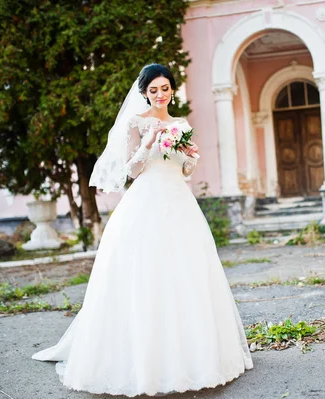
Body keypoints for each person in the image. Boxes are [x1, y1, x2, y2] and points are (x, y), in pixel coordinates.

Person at [32, 64, 253, 396]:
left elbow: (186, 170)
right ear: (145, 93)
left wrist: (189, 155)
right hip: (145, 200)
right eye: (153, 90)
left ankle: (196, 356)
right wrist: (148, 142)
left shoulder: (181, 124)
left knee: (186, 273)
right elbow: (131, 171)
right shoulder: (137, 122)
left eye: (165, 88)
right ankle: (143, 359)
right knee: (143, 272)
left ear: (172, 90)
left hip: (179, 202)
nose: (160, 95)